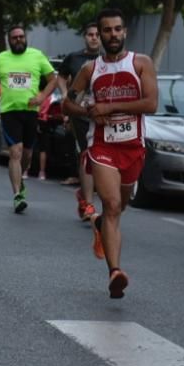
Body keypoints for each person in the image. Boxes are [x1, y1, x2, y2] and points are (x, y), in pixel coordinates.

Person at [63, 9, 157, 298]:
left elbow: (150, 104)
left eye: (117, 29)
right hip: (102, 146)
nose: (113, 35)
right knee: (113, 204)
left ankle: (101, 226)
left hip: (132, 147)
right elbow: (68, 105)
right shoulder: (90, 70)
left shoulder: (141, 63)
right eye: (107, 30)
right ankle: (115, 272)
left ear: (125, 32)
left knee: (120, 207)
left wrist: (110, 108)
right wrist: (89, 113)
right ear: (99, 34)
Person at [0, 25, 57, 213]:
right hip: (9, 111)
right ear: (9, 40)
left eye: (21, 37)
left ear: (26, 38)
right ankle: (17, 194)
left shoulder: (37, 56)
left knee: (27, 154)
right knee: (15, 152)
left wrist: (42, 97)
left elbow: (53, 79)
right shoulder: (1, 59)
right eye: (15, 37)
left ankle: (20, 179)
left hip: (31, 112)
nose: (19, 40)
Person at [59, 23, 102, 219]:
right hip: (81, 113)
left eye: (97, 35)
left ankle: (84, 195)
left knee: (100, 157)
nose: (94, 38)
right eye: (90, 34)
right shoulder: (74, 58)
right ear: (85, 37)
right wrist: (65, 96)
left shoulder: (108, 58)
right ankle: (89, 205)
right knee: (87, 153)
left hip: (104, 114)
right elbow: (61, 77)